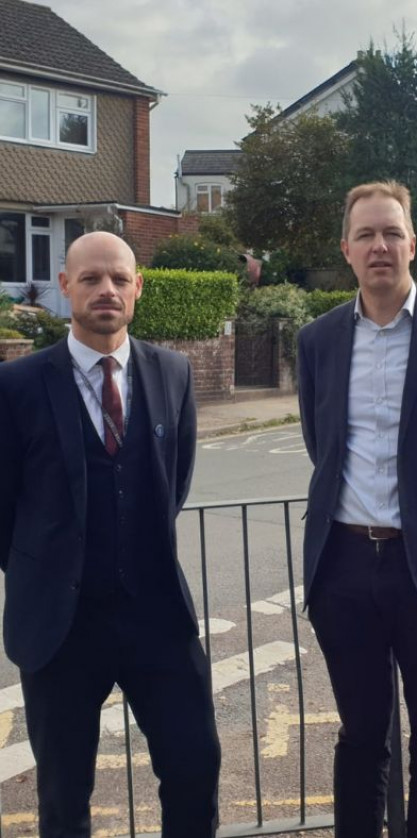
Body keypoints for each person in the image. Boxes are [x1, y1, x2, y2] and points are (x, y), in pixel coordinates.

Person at [0, 231, 221, 837]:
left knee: (195, 767)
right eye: (92, 278)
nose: (107, 290)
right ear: (66, 286)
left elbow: (171, 482)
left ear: (137, 289)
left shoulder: (172, 372)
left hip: (156, 616)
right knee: (64, 796)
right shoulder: (15, 387)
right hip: (60, 626)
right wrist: (43, 571)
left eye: (119, 279)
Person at [297, 181, 417, 837]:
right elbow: (319, 443)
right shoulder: (318, 340)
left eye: (390, 233)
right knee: (359, 733)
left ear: (412, 244)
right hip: (345, 564)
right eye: (366, 235)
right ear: (347, 250)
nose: (379, 246)